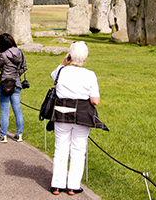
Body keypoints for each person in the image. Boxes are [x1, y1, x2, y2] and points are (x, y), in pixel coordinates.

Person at [48, 42, 108, 196]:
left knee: (60, 149)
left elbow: (52, 75)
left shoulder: (62, 71)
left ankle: (57, 185)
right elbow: (95, 100)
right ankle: (73, 186)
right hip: (81, 115)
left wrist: (63, 62)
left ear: (70, 55)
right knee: (78, 150)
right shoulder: (89, 74)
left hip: (61, 113)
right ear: (86, 57)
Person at [0, 33, 27, 143]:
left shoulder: (3, 54)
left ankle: (3, 135)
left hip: (5, 83)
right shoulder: (20, 53)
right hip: (16, 83)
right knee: (17, 109)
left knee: (4, 110)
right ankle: (19, 134)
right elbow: (24, 67)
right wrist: (16, 75)